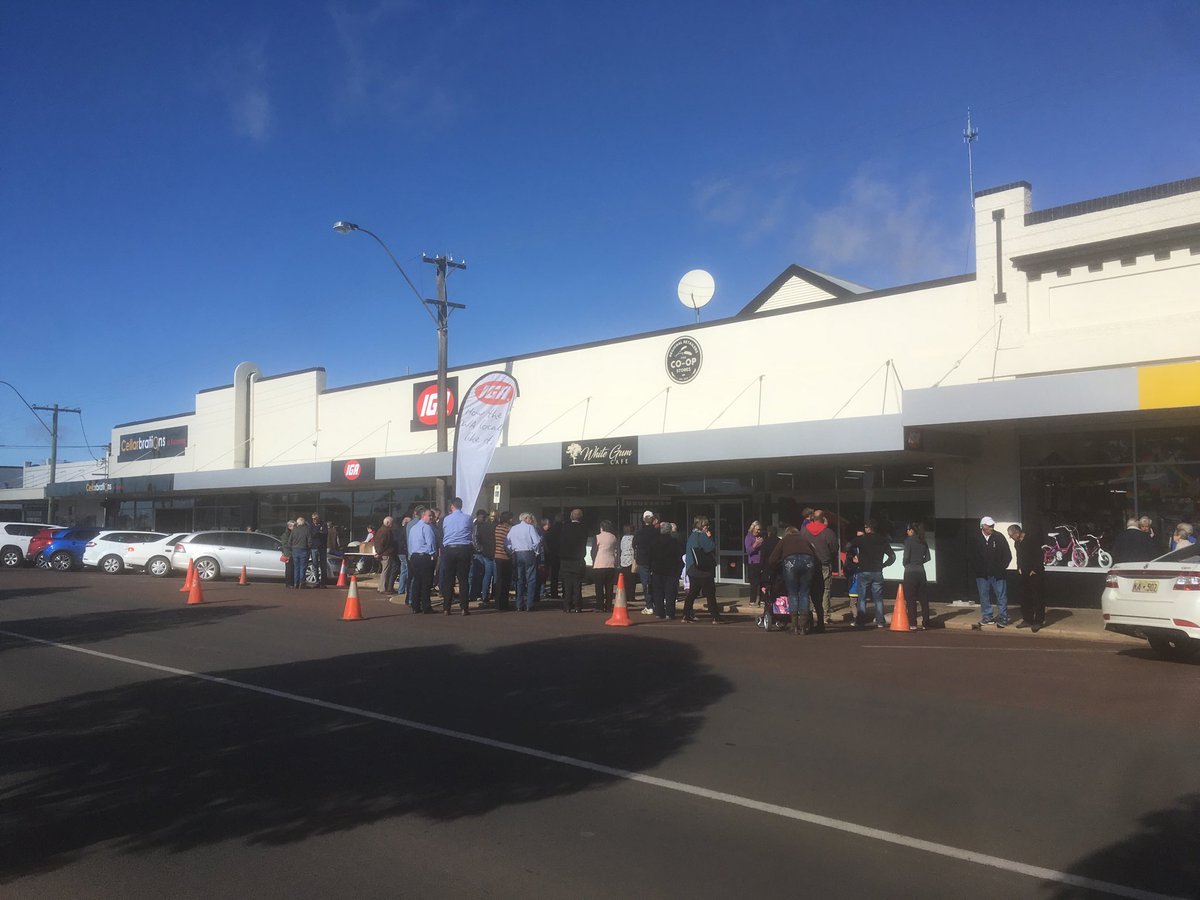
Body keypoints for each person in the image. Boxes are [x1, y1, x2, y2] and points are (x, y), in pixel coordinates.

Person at [767, 524, 821, 634]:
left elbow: (772, 560)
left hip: (790, 561)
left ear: (787, 533)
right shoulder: (805, 540)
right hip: (808, 561)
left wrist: (778, 565)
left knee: (793, 593)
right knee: (804, 593)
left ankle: (794, 626)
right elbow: (817, 558)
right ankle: (803, 626)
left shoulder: (784, 540)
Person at [849, 520, 895, 628]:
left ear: (868, 528)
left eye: (865, 527)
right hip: (877, 571)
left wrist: (853, 558)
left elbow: (848, 546)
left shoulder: (861, 539)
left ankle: (860, 621)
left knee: (862, 597)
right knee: (878, 598)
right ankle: (880, 622)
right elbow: (892, 557)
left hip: (864, 570)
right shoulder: (882, 540)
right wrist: (884, 565)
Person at [968, 515, 1012, 629]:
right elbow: (971, 555)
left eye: (992, 525)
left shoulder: (999, 537)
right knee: (984, 595)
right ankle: (987, 617)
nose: (992, 527)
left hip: (998, 574)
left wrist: (1001, 568)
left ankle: (1003, 617)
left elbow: (1007, 555)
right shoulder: (975, 538)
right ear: (983, 526)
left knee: (1001, 596)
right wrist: (977, 569)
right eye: (989, 525)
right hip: (982, 574)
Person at [681, 515, 724, 624]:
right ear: (701, 525)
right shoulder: (702, 536)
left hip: (692, 569)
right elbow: (711, 547)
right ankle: (716, 617)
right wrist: (709, 537)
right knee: (710, 594)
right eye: (706, 525)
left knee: (692, 593)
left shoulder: (691, 536)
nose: (707, 527)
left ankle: (686, 614)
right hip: (703, 571)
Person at [806, 511, 841, 630]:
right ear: (823, 518)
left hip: (809, 564)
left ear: (813, 518)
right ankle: (825, 616)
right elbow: (835, 548)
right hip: (824, 564)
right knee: (825, 590)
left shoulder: (804, 531)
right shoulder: (828, 532)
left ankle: (808, 615)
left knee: (809, 590)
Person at [439, 498, 474, 615]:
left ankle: (446, 607)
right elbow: (471, 531)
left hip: (449, 548)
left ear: (452, 506)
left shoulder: (446, 519)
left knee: (449, 579)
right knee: (463, 580)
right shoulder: (468, 518)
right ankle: (464, 607)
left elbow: (444, 533)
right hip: (464, 548)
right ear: (461, 506)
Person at [1008, 523, 1045, 632]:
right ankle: (1027, 619)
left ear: (1017, 532)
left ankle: (1038, 621)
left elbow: (1039, 556)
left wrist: (1035, 570)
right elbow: (1019, 556)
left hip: (1035, 573)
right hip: (1023, 572)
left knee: (1037, 597)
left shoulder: (1032, 539)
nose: (1010, 538)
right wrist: (1019, 567)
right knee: (1024, 597)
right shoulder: (1017, 543)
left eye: (1011, 535)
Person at [504, 512, 542, 611]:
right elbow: (537, 541)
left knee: (519, 579)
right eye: (530, 519)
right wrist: (537, 552)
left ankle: (519, 604)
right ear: (525, 518)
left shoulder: (513, 528)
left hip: (517, 553)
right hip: (528, 552)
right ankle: (529, 603)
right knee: (531, 579)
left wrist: (511, 551)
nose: (531, 520)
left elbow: (506, 542)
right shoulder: (530, 528)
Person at [407, 508, 437, 613]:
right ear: (423, 516)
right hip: (425, 557)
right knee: (426, 583)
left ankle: (415, 606)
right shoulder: (427, 528)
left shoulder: (413, 528)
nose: (431, 518)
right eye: (430, 516)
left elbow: (410, 544)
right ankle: (426, 606)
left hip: (414, 556)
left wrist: (411, 555)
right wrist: (433, 555)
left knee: (416, 582)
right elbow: (431, 543)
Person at [650, 521, 683, 619]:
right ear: (670, 531)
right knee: (670, 593)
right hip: (671, 571)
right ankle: (670, 613)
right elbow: (680, 555)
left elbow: (650, 556)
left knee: (658, 593)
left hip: (657, 570)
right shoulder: (675, 542)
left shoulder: (654, 542)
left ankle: (659, 612)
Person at [902, 522, 932, 630]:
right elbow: (928, 557)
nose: (907, 532)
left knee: (911, 599)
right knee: (923, 599)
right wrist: (920, 562)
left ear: (911, 531)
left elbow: (906, 556)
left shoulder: (908, 541)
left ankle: (913, 623)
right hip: (921, 571)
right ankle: (926, 622)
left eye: (908, 530)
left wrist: (906, 564)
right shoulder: (923, 541)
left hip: (910, 572)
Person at [558, 508, 588, 612]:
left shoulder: (565, 527)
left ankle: (567, 606)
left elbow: (561, 542)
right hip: (578, 559)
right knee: (577, 584)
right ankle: (577, 606)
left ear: (571, 516)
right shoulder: (584, 528)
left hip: (566, 559)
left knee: (567, 584)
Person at [469, 509, 496, 606]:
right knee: (477, 574)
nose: (485, 518)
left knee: (484, 574)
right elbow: (474, 539)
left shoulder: (482, 525)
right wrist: (480, 549)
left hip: (483, 553)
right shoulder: (476, 526)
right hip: (479, 553)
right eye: (483, 517)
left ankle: (482, 593)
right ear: (479, 516)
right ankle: (475, 593)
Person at [633, 510, 658, 614]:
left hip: (643, 560)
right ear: (653, 519)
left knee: (646, 583)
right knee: (656, 583)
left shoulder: (639, 533)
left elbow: (634, 545)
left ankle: (649, 605)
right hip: (656, 560)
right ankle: (657, 604)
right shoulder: (657, 532)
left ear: (643, 520)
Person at [592, 520, 618, 612]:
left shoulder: (597, 537)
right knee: (609, 587)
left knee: (599, 587)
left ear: (601, 528)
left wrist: (593, 560)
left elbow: (593, 551)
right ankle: (608, 606)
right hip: (610, 564)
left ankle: (599, 606)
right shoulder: (614, 537)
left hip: (599, 564)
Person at [492, 511, 514, 611]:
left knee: (499, 580)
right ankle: (504, 603)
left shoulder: (497, 528)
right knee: (506, 581)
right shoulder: (508, 529)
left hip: (497, 556)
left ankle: (498, 603)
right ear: (508, 519)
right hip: (506, 556)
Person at [374, 516, 398, 596]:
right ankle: (383, 588)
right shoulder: (386, 531)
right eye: (392, 523)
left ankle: (381, 587)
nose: (393, 524)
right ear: (388, 523)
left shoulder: (380, 530)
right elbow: (383, 543)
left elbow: (378, 543)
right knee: (385, 571)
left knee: (384, 571)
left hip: (382, 553)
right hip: (386, 554)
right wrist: (380, 552)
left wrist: (378, 552)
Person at [744, 521, 764, 608]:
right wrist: (756, 544)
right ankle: (752, 601)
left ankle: (762, 600)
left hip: (761, 562)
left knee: (762, 583)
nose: (758, 531)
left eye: (760, 530)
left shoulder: (760, 536)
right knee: (754, 583)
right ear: (753, 529)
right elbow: (748, 551)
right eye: (757, 530)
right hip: (753, 563)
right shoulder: (748, 537)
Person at [290, 515, 313, 589]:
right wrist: (309, 547)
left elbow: (289, 541)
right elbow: (310, 541)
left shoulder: (294, 530)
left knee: (296, 567)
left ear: (298, 523)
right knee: (303, 567)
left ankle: (296, 583)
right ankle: (301, 583)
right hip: (304, 550)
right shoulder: (307, 530)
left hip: (295, 550)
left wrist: (292, 547)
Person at [542, 515, 562, 600]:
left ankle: (545, 591)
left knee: (546, 574)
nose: (549, 526)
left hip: (549, 553)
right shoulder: (558, 530)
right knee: (553, 574)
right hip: (554, 553)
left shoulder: (549, 532)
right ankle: (547, 591)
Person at [309, 512, 328, 587]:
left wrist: (318, 533)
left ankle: (323, 582)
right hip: (314, 547)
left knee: (323, 565)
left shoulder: (323, 524)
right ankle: (317, 581)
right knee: (315, 564)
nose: (314, 520)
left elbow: (325, 534)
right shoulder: (310, 526)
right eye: (313, 519)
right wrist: (318, 531)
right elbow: (312, 534)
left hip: (322, 547)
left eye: (316, 519)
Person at [618, 523, 635, 595]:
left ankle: (626, 594)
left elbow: (621, 548)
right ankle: (631, 595)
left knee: (625, 579)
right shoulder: (634, 538)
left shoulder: (623, 538)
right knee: (632, 579)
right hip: (631, 559)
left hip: (624, 559)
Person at [280, 519, 296, 588]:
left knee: (292, 568)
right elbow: (285, 544)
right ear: (289, 526)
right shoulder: (286, 534)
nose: (295, 527)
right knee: (289, 569)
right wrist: (293, 546)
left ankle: (291, 583)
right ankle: (288, 583)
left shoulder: (291, 533)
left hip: (291, 552)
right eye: (294, 526)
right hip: (288, 553)